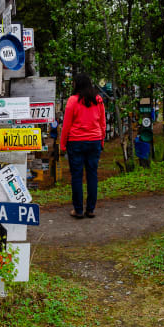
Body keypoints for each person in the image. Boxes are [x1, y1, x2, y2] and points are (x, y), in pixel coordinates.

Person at [60, 74, 106, 219]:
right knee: (92, 175)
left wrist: (62, 144)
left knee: (77, 176)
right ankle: (91, 209)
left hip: (76, 142)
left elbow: (66, 125)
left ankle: (78, 210)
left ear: (77, 85)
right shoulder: (98, 99)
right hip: (95, 141)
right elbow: (102, 122)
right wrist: (102, 140)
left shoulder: (72, 101)